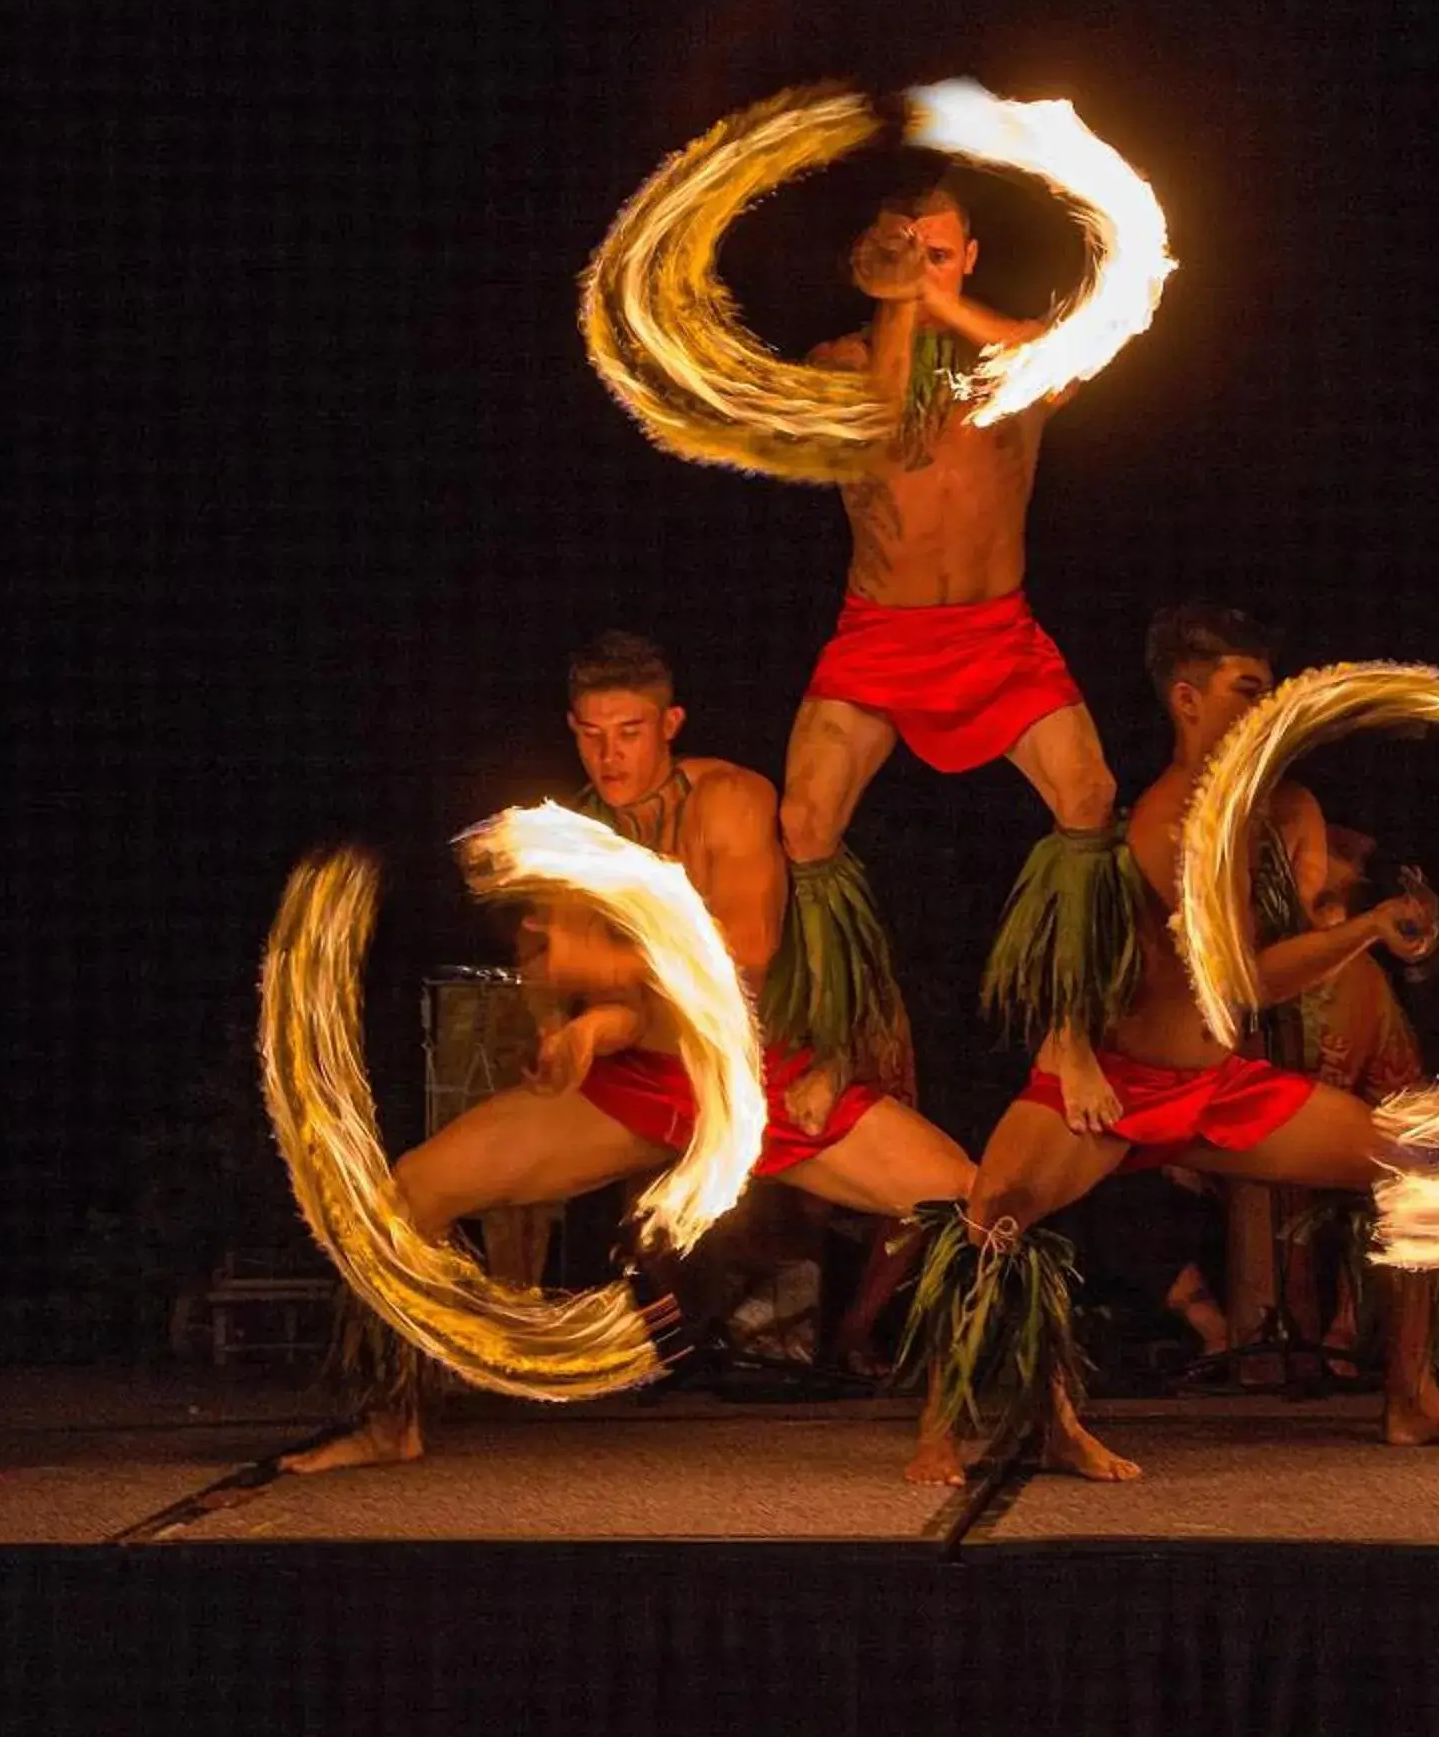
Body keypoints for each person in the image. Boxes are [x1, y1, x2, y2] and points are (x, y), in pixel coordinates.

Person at [287, 632, 974, 1481]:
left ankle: (949, 1431)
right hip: (637, 1084)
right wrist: (584, 1031)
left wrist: (604, 969)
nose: (610, 754)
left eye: (630, 730)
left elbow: (744, 964)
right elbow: (593, 992)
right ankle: (392, 1419)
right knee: (404, 1195)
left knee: (967, 1203)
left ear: (670, 722)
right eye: (591, 732)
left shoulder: (731, 800)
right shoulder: (570, 841)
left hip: (762, 1080)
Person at [903, 603, 1439, 1475]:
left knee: (1416, 1168)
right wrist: (1366, 931)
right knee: (994, 1217)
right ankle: (964, 1429)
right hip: (1118, 1085)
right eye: (1246, 691)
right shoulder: (1166, 824)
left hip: (1221, 1085)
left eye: (1269, 690)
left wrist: (1386, 921)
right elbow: (1246, 976)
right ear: (1188, 700)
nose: (1264, 707)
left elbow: (1305, 929)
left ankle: (1412, 1399)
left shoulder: (1289, 809)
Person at [779, 176, 1131, 1133]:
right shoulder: (843, 359)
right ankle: (837, 1047)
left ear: (968, 259)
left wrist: (938, 303)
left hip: (996, 638)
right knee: (806, 823)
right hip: (881, 639)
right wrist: (901, 307)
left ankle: (1069, 1039)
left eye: (940, 253)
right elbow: (886, 422)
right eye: (906, 251)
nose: (924, 268)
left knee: (1090, 801)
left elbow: (1079, 351)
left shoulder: (1013, 366)